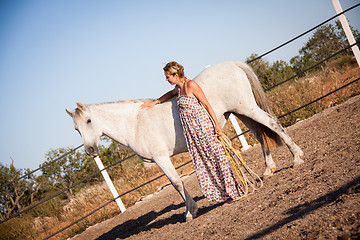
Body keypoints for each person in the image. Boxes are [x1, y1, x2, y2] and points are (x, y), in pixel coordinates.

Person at [141, 61, 243, 203]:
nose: (166, 79)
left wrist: (216, 125)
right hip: (191, 132)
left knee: (217, 157)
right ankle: (222, 195)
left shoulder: (191, 85)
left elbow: (206, 104)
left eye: (168, 76)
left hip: (203, 127)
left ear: (176, 75)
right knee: (204, 162)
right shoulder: (178, 88)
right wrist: (156, 102)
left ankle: (233, 190)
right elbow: (170, 93)